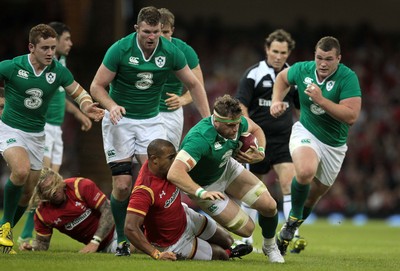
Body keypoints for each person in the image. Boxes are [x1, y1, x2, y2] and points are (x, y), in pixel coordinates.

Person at [90, 6, 210, 256]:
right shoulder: (120, 49)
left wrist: (208, 119)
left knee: (161, 179)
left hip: (151, 121)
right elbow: (97, 86)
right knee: (123, 186)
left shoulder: (171, 52)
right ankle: (123, 239)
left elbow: (194, 84)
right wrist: (111, 106)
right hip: (119, 122)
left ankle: (163, 234)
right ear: (137, 29)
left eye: (156, 32)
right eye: (146, 31)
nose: (151, 36)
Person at [0, 23, 104, 254]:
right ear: (31, 47)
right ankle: (5, 229)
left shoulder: (58, 71)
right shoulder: (12, 67)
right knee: (20, 170)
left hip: (37, 135)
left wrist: (86, 107)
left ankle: (3, 231)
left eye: (52, 48)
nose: (50, 53)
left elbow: (79, 92)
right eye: (45, 48)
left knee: (28, 193)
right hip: (10, 129)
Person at [270, 36, 362, 255]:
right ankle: (292, 220)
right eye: (319, 57)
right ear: (314, 56)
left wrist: (321, 100)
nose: (322, 63)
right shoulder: (303, 70)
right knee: (305, 171)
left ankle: (288, 232)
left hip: (334, 146)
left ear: (338, 58)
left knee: (313, 196)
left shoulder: (348, 78)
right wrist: (275, 100)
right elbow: (282, 78)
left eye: (329, 59)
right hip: (306, 131)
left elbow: (351, 116)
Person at [167, 94, 285, 263]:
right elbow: (174, 173)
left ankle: (270, 246)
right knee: (247, 229)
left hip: (226, 168)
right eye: (230, 126)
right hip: (206, 187)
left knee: (269, 206)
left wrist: (261, 151)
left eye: (237, 124)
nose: (236, 129)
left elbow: (256, 129)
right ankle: (191, 222)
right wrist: (200, 192)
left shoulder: (237, 122)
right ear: (216, 121)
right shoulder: (199, 139)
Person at [235, 29, 305, 253]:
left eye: (283, 52)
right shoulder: (253, 74)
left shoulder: (293, 76)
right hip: (258, 141)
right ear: (267, 50)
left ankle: (291, 235)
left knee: (289, 184)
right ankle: (246, 237)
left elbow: (299, 108)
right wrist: (247, 132)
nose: (278, 56)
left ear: (289, 52)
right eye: (275, 51)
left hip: (284, 140)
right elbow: (241, 104)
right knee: (252, 189)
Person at [125, 138, 253, 261]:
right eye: (170, 158)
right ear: (154, 160)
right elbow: (130, 227)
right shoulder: (144, 190)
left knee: (227, 240)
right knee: (221, 255)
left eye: (174, 156)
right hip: (173, 242)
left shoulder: (168, 169)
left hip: (186, 217)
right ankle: (228, 253)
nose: (175, 160)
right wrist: (156, 254)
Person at [19, 168, 118, 253]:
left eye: (54, 185)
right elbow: (43, 243)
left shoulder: (80, 186)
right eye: (48, 189)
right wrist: (32, 248)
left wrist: (95, 241)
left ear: (60, 181)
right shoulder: (42, 214)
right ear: (41, 195)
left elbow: (109, 210)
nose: (54, 191)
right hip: (105, 245)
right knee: (129, 247)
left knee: (131, 235)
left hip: (120, 225)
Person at [158, 8, 205, 150]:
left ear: (172, 30)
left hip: (171, 112)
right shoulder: (138, 47)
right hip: (144, 110)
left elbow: (198, 86)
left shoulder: (185, 51)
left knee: (168, 157)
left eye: (165, 32)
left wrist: (182, 99)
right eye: (158, 31)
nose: (161, 36)